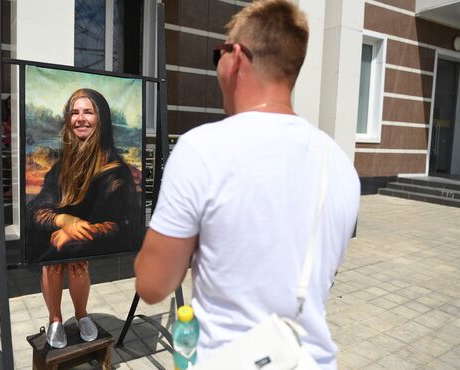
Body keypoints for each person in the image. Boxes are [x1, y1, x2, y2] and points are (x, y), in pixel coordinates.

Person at [134, 1, 360, 368]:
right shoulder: (339, 164)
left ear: (236, 57)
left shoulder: (201, 149)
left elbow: (153, 285)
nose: (218, 64)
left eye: (218, 54)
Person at [27, 88, 140, 348]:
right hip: (58, 236)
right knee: (52, 258)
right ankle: (55, 318)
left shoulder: (116, 171)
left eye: (88, 112)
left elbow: (122, 224)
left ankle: (81, 315)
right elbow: (38, 208)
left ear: (101, 119)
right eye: (75, 112)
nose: (80, 118)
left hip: (88, 240)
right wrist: (63, 222)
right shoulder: (59, 167)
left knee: (75, 259)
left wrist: (79, 231)